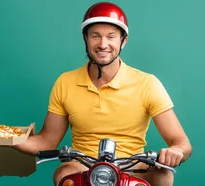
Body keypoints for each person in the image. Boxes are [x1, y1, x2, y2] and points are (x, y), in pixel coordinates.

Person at [11, 2, 192, 186]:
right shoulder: (65, 82)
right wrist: (7, 138)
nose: (103, 44)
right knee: (64, 173)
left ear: (124, 40)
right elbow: (47, 140)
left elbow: (182, 142)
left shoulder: (147, 83)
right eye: (95, 36)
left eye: (111, 36)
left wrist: (176, 150)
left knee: (164, 175)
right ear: (85, 39)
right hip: (83, 167)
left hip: (134, 168)